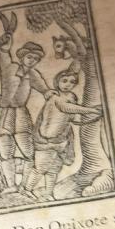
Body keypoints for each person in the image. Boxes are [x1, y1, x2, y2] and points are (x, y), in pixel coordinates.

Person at [0, 27, 49, 193]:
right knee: (5, 153)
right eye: (29, 57)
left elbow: (44, 89)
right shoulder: (11, 68)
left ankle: (25, 185)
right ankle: (11, 186)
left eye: (36, 59)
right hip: (3, 113)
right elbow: (3, 58)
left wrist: (49, 93)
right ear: (22, 57)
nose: (32, 61)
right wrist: (5, 48)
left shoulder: (33, 74)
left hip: (21, 114)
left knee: (28, 152)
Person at [22, 69, 102, 199]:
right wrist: (92, 110)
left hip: (61, 141)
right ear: (57, 81)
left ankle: (48, 193)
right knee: (40, 168)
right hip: (46, 141)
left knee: (54, 170)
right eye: (64, 81)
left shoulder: (71, 97)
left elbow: (71, 116)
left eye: (72, 82)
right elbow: (66, 107)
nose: (68, 84)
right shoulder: (55, 97)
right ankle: (26, 189)